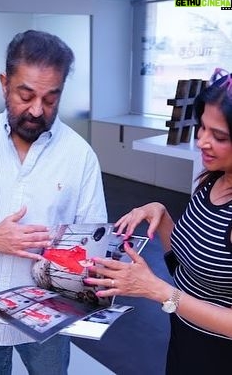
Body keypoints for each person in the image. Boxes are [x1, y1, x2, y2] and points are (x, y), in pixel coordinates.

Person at [0, 29, 107, 375]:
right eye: (25, 95)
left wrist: (92, 270)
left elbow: (93, 239)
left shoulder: (80, 156)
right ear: (4, 83)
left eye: (51, 99)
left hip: (52, 317)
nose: (37, 110)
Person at [85, 67, 232, 374]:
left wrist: (158, 291)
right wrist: (162, 215)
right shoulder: (212, 180)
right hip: (185, 338)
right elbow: (189, 265)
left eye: (218, 136)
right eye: (202, 128)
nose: (202, 141)